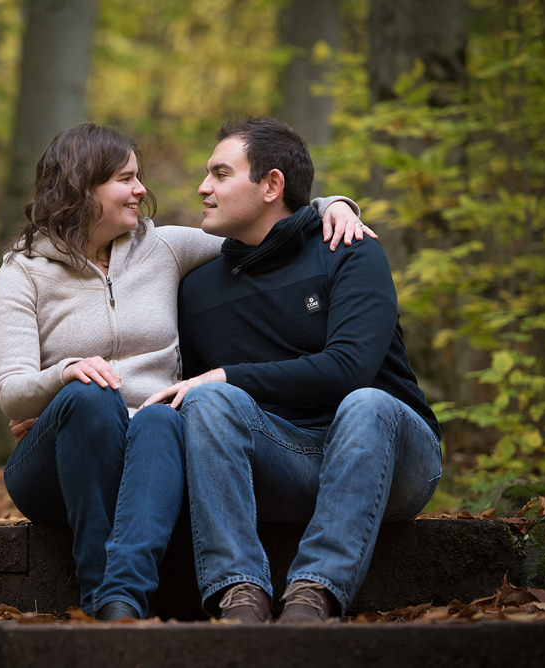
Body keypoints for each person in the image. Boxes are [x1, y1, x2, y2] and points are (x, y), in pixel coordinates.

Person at [0, 123, 369, 621]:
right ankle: (98, 589)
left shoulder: (165, 248)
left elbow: (268, 229)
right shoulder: (23, 271)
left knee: (162, 417)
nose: (140, 190)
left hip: (153, 452)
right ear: (81, 187)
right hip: (58, 464)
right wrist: (64, 375)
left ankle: (122, 603)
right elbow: (11, 392)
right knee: (89, 395)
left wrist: (331, 205)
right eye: (126, 179)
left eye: (138, 177)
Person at [144, 117, 442, 624]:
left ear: (271, 185)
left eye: (220, 173)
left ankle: (313, 593)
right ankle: (239, 593)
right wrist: (53, 405)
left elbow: (349, 368)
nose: (202, 187)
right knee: (207, 400)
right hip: (282, 464)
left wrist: (227, 375)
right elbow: (174, 389)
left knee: (365, 403)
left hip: (391, 461)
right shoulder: (196, 289)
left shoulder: (349, 248)